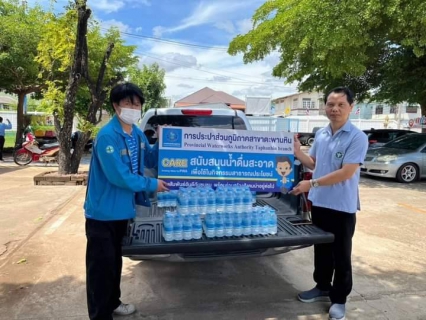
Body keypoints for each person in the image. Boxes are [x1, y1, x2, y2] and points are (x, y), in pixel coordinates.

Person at [84, 82, 169, 320]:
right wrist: (153, 185)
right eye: (128, 103)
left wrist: (164, 140)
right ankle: (100, 315)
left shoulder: (136, 133)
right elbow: (119, 176)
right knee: (100, 269)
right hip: (102, 214)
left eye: (137, 103)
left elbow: (150, 159)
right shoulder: (107, 136)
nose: (133, 107)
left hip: (123, 211)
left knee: (114, 264)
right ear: (115, 105)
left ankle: (113, 303)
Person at [290, 87, 368, 320]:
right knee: (322, 249)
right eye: (330, 104)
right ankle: (322, 286)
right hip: (320, 203)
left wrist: (310, 185)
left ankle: (339, 299)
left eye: (340, 105)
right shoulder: (322, 134)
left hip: (342, 206)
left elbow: (346, 173)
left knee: (341, 254)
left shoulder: (357, 137)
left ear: (351, 108)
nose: (334, 109)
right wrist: (297, 152)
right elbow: (314, 163)